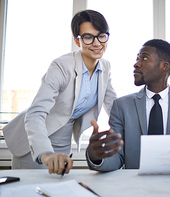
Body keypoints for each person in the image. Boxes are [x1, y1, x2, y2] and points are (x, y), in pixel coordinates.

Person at [3, 10, 117, 175]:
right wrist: (46, 154)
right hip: (34, 143)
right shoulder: (61, 66)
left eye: (101, 35)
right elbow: (35, 113)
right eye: (87, 37)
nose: (97, 43)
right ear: (77, 41)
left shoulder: (105, 67)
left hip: (64, 144)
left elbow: (114, 107)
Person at [86, 39, 170, 176]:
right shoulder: (122, 106)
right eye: (137, 58)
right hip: (136, 188)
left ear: (164, 66)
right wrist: (97, 157)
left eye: (144, 58)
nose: (136, 64)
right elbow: (117, 157)